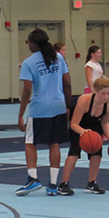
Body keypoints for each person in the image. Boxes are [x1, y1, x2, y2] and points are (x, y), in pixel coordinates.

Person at [16, 28, 71, 196]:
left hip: (40, 107)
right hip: (58, 105)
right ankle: (53, 184)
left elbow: (26, 91)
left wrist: (20, 114)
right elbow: (67, 83)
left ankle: (32, 178)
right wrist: (68, 105)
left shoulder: (29, 63)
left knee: (30, 142)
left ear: (33, 44)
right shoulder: (58, 58)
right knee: (53, 143)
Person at [57, 77, 109, 196]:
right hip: (79, 124)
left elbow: (104, 122)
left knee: (97, 151)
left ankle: (92, 182)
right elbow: (73, 124)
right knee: (75, 150)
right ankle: (64, 183)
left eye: (108, 93)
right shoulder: (84, 100)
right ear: (95, 91)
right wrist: (83, 132)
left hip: (94, 124)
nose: (106, 97)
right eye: (103, 93)